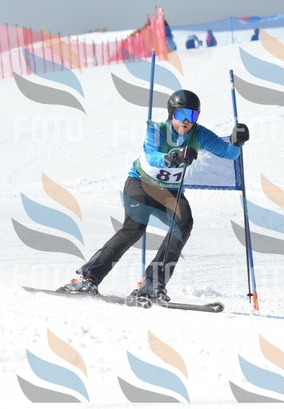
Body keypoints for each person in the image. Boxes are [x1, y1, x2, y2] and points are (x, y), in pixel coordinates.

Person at [58, 90, 250, 301]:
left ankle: (152, 282)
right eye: (181, 114)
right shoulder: (157, 129)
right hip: (141, 184)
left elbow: (228, 153)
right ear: (171, 113)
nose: (186, 121)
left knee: (183, 224)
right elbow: (151, 155)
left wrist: (236, 141)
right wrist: (174, 157)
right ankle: (88, 278)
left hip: (170, 191)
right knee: (134, 228)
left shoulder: (199, 134)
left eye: (192, 115)